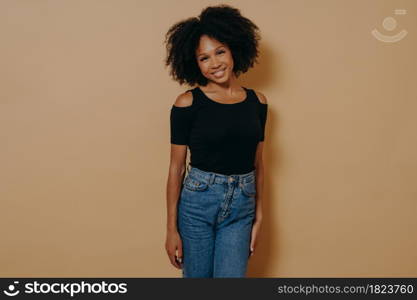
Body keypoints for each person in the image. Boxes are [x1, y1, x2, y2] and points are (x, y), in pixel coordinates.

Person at [164, 4, 268, 278]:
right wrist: (171, 229)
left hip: (241, 207)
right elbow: (176, 169)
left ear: (234, 48)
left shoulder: (258, 102)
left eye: (220, 51)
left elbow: (259, 163)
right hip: (198, 203)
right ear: (194, 63)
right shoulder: (187, 103)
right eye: (204, 58)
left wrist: (259, 217)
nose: (215, 63)